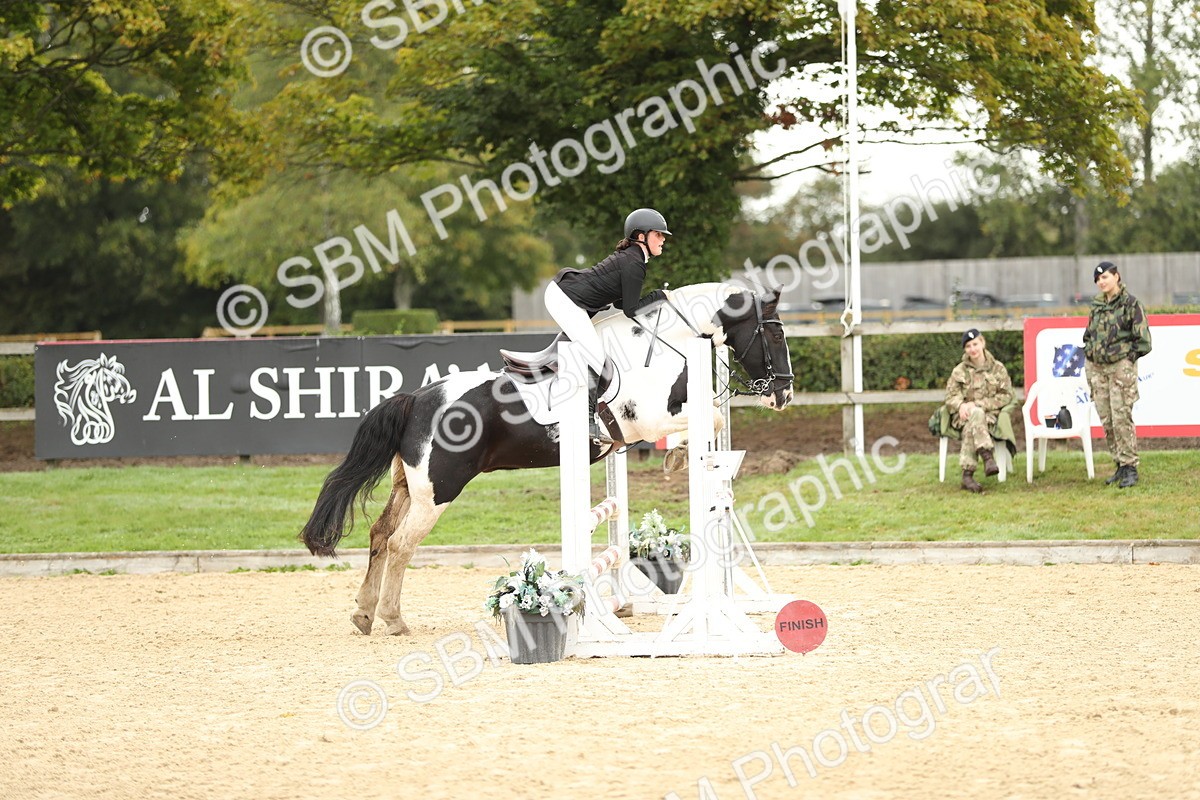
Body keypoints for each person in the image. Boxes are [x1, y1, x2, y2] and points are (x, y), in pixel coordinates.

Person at [544, 208, 671, 441]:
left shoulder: (633, 259)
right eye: (658, 234)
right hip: (565, 299)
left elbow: (622, 303)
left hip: (567, 296)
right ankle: (587, 422)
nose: (663, 239)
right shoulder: (634, 263)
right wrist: (659, 296)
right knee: (598, 359)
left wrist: (655, 297)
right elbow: (631, 310)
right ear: (641, 236)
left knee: (592, 354)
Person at [1083, 261, 1152, 488]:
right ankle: (1119, 465)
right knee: (1107, 419)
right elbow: (1088, 336)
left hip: (1120, 369)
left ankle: (1130, 466)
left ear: (1116, 276)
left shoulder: (1131, 304)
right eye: (1098, 279)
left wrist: (1127, 360)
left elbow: (1143, 341)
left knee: (1121, 417)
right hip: (1098, 369)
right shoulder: (1097, 306)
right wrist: (1089, 355)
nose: (1101, 282)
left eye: (1105, 277)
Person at [945, 328, 1015, 493]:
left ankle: (967, 476)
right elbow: (950, 397)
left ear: (983, 343)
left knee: (976, 415)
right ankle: (987, 457)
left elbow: (1006, 395)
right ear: (965, 349)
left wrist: (978, 404)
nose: (973, 349)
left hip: (990, 416)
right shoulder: (959, 371)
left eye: (975, 344)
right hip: (963, 416)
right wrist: (961, 405)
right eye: (968, 346)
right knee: (974, 415)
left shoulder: (997, 368)